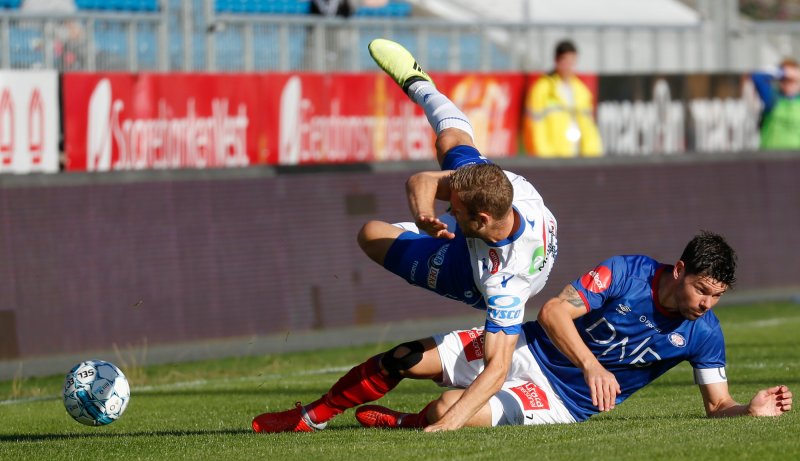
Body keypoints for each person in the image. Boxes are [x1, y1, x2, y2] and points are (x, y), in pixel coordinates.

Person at [252, 38, 559, 433]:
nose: (450, 208)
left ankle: (312, 417)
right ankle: (419, 80)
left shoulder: (503, 286)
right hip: (485, 239)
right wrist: (426, 213)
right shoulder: (504, 187)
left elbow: (497, 369)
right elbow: (424, 178)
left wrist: (450, 425)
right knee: (448, 144)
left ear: (481, 218)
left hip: (470, 273)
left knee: (402, 341)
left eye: (456, 210)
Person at [259, 232, 792, 432]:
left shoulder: (705, 333)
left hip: (559, 400)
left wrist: (749, 409)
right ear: (679, 270)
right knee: (402, 357)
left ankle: (403, 424)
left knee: (449, 410)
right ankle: (311, 418)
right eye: (703, 290)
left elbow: (716, 405)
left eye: (717, 296)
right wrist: (591, 362)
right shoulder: (628, 272)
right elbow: (558, 311)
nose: (707, 303)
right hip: (526, 345)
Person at [523, 40, 603, 158]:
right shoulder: (543, 89)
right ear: (557, 61)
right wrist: (544, 157)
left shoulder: (582, 91)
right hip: (554, 158)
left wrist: (593, 153)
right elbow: (535, 128)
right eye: (565, 61)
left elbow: (589, 127)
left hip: (578, 156)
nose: (568, 66)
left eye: (572, 61)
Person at [750, 58, 800, 150]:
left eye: (792, 80)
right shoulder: (772, 99)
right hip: (772, 159)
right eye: (784, 80)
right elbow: (757, 77)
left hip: (796, 161)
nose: (788, 84)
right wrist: (783, 72)